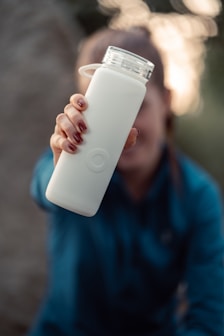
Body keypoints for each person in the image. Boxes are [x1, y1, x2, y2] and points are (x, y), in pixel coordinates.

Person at [28, 26, 224, 336]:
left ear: (167, 102)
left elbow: (209, 318)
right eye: (103, 108)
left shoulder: (198, 197)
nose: (124, 129)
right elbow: (42, 186)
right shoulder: (67, 166)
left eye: (137, 107)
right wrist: (61, 164)